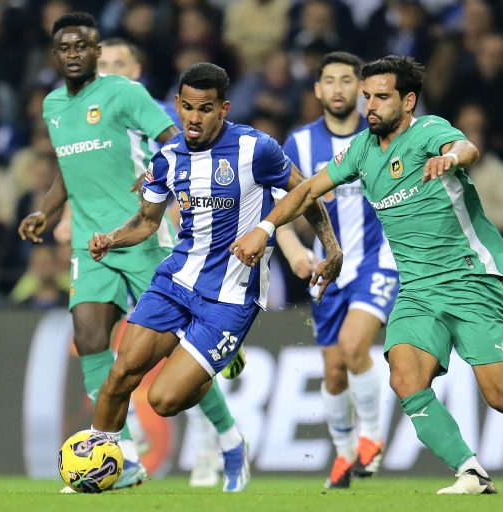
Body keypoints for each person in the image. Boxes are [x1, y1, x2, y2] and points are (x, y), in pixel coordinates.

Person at [231, 55, 503, 495]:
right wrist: (265, 229)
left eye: (381, 97)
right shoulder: (361, 150)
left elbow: (466, 149)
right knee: (404, 378)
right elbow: (306, 191)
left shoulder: (428, 131)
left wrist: (450, 158)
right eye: (367, 97)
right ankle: (471, 471)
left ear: (408, 101)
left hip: (469, 278)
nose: (370, 106)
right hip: (416, 289)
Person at [87, 62, 341, 493]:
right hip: (175, 281)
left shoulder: (256, 149)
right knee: (120, 375)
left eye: (205, 109)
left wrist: (331, 248)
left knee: (163, 400)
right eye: (187, 107)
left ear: (223, 109)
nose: (194, 118)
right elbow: (147, 222)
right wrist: (111, 238)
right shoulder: (168, 157)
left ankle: (217, 377)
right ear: (177, 105)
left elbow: (306, 191)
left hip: (230, 296)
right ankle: (97, 463)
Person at [15, 12, 236, 492]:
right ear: (54, 55)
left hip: (140, 236)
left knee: (180, 347)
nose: (74, 54)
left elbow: (177, 141)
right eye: (64, 48)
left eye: (82, 46)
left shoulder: (125, 94)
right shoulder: (53, 105)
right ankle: (123, 457)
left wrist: (159, 173)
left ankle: (227, 436)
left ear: (96, 52)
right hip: (89, 243)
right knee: (90, 338)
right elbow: (68, 168)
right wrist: (46, 212)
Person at [276, 51, 398, 489]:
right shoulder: (299, 144)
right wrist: (294, 251)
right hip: (326, 269)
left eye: (347, 80)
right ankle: (345, 455)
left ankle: (373, 437)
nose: (338, 88)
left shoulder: (383, 136)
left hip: (378, 260)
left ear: (361, 91)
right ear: (317, 89)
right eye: (329, 80)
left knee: (352, 345)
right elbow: (282, 211)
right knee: (333, 371)